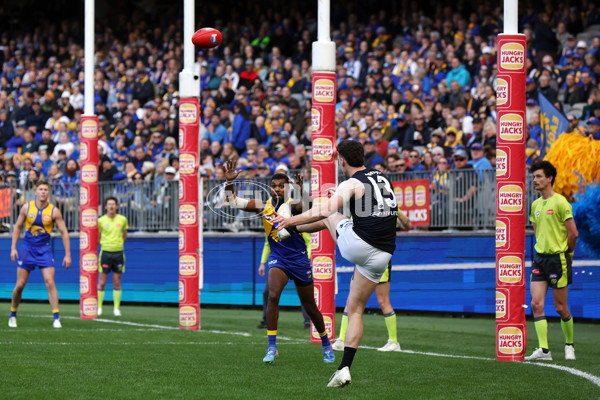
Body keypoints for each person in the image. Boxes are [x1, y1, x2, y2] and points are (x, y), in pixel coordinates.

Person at [273, 140, 398, 387]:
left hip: (360, 246)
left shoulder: (350, 182)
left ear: (342, 161)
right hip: (384, 254)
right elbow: (372, 210)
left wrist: (290, 220)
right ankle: (344, 368)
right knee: (355, 309)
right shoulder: (382, 177)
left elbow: (325, 210)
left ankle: (291, 228)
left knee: (329, 213)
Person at [223, 160, 334, 365]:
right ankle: (272, 347)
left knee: (310, 306)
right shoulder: (262, 206)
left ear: (288, 188)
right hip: (279, 258)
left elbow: (309, 207)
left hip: (299, 259)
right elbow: (233, 201)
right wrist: (229, 182)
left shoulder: (294, 204)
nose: (276, 189)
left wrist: (302, 191)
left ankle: (326, 342)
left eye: (281, 186)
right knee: (273, 294)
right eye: (274, 186)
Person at [332, 210, 412, 352]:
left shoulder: (386, 207)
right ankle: (341, 340)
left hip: (379, 258)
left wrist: (397, 215)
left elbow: (407, 224)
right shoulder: (360, 207)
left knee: (383, 300)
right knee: (351, 299)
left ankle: (393, 342)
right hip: (362, 260)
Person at [526, 161, 578, 361]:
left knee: (560, 307)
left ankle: (569, 345)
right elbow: (537, 232)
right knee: (536, 304)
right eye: (534, 177)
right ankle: (544, 350)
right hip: (540, 259)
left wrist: (568, 255)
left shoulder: (561, 202)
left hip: (558, 259)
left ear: (550, 178)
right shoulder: (535, 205)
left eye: (539, 177)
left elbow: (573, 234)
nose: (535, 181)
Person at [9, 180, 71, 328]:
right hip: (27, 249)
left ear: (48, 193)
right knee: (20, 285)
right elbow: (17, 227)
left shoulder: (54, 211)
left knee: (50, 282)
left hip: (45, 250)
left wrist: (68, 254)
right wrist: (13, 248)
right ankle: (13, 314)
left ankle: (56, 318)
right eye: (40, 189)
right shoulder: (26, 207)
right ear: (35, 192)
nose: (43, 192)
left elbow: (64, 233)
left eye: (45, 189)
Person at [257, 232, 312, 330]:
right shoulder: (270, 224)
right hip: (280, 263)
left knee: (304, 295)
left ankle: (308, 321)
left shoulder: (296, 221)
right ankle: (266, 320)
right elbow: (267, 244)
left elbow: (309, 242)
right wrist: (262, 263)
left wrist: (306, 258)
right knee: (268, 292)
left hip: (298, 262)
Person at [97, 197, 129, 317]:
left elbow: (124, 237)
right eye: (109, 204)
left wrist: (117, 245)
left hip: (118, 253)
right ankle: (99, 307)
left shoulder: (122, 219)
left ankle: (116, 308)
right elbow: (98, 238)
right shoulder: (101, 221)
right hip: (105, 253)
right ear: (105, 207)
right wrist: (106, 245)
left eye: (113, 204)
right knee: (102, 281)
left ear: (116, 206)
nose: (111, 206)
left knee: (117, 281)